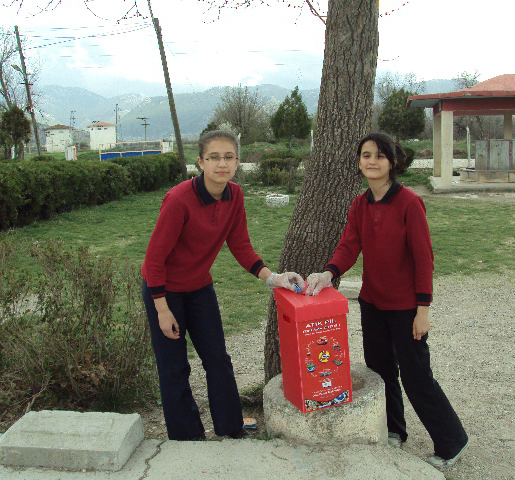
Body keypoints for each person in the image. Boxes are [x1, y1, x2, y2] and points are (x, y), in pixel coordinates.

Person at [306, 133, 468, 467]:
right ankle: (395, 430)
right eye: (365, 155)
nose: (371, 161)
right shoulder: (359, 204)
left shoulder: (409, 202)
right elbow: (349, 245)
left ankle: (452, 441)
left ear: (392, 162)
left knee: (416, 376)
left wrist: (423, 310)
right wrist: (328, 273)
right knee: (381, 371)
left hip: (406, 307)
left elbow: (424, 259)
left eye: (379, 156)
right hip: (373, 303)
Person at [142, 130, 304, 441]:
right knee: (174, 367)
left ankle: (230, 428)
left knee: (217, 358)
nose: (222, 164)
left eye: (228, 157)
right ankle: (186, 435)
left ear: (237, 161)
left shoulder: (235, 195)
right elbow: (153, 262)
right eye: (214, 157)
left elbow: (241, 246)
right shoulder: (178, 200)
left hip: (199, 287)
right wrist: (162, 309)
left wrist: (273, 278)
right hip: (163, 290)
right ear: (200, 162)